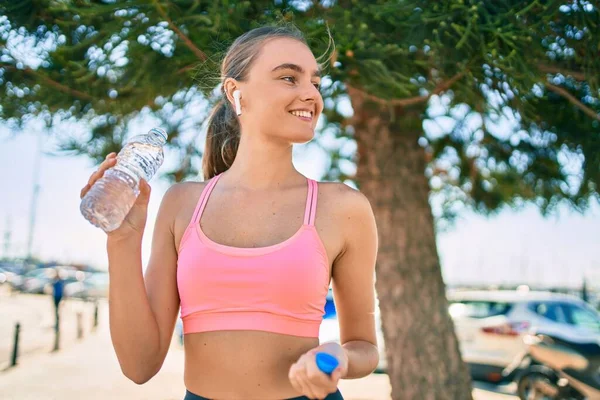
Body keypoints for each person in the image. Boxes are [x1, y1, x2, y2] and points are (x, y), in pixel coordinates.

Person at [80, 24, 379, 400]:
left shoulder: (344, 208)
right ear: (236, 93)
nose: (310, 94)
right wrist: (122, 241)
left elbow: (365, 346)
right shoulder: (182, 203)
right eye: (289, 77)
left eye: (316, 83)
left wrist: (338, 355)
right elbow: (139, 366)